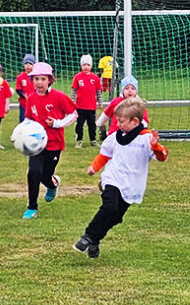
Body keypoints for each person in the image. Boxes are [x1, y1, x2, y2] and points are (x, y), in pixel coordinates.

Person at [73, 97, 168, 258]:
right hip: (112, 179)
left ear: (135, 121)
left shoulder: (146, 138)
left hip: (132, 185)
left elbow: (162, 156)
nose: (118, 124)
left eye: (121, 121)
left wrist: (156, 146)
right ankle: (88, 236)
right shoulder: (114, 137)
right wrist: (94, 167)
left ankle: (95, 240)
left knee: (116, 217)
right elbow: (104, 155)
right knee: (109, 208)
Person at [22, 62, 77, 219]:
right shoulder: (31, 98)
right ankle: (32, 207)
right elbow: (28, 118)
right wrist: (21, 133)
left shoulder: (58, 97)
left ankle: (52, 184)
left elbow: (73, 113)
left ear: (49, 81)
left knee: (45, 175)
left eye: (43, 79)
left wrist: (57, 123)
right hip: (36, 144)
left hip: (54, 143)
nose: (39, 82)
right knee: (33, 172)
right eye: (36, 79)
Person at [71, 54, 103, 147]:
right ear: (81, 65)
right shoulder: (77, 77)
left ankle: (93, 140)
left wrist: (100, 102)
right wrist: (72, 101)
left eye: (88, 65)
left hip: (91, 106)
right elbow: (73, 90)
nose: (86, 67)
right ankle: (79, 140)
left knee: (92, 125)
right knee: (79, 124)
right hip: (80, 106)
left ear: (91, 66)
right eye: (84, 64)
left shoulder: (95, 78)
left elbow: (98, 91)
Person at [14, 54, 36, 122]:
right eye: (26, 63)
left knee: (35, 119)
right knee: (23, 120)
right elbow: (18, 89)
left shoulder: (36, 76)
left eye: (30, 63)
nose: (28, 65)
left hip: (35, 103)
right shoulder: (20, 77)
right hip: (24, 103)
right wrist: (24, 95)